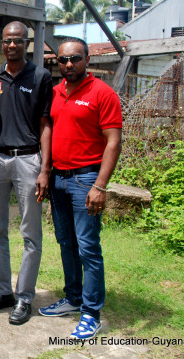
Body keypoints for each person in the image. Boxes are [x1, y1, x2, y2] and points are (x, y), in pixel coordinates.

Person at [38, 37, 122, 340]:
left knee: (88, 246)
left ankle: (91, 312)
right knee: (65, 241)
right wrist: (45, 172)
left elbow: (113, 141)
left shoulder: (103, 93)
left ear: (87, 59)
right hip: (59, 178)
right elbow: (47, 128)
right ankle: (73, 298)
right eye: (63, 60)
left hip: (86, 179)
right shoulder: (56, 91)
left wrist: (100, 185)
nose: (68, 64)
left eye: (75, 58)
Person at [0, 21, 53, 325]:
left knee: (30, 234)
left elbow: (45, 124)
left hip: (28, 160)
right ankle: (4, 292)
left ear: (27, 44)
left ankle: (24, 298)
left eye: (18, 41)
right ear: (2, 43)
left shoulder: (41, 76)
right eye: (7, 40)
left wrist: (45, 168)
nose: (12, 45)